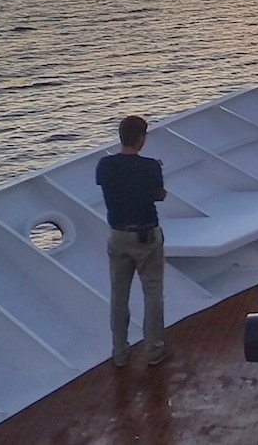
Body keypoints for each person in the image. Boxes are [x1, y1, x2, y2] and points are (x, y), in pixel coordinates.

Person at [95, 114, 168, 368]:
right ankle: (154, 349)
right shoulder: (150, 167)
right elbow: (159, 195)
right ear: (140, 138)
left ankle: (120, 352)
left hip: (118, 235)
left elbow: (114, 183)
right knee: (153, 292)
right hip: (146, 235)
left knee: (119, 295)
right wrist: (154, 170)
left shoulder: (104, 165)